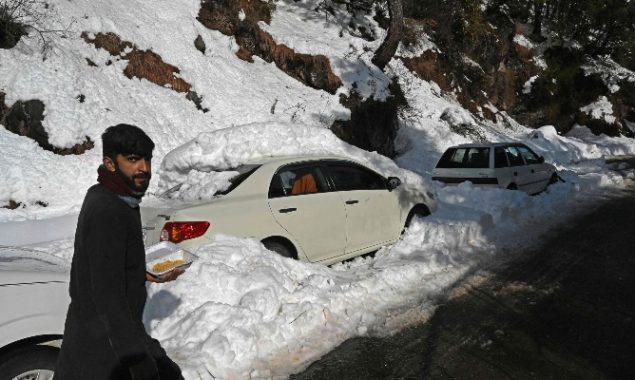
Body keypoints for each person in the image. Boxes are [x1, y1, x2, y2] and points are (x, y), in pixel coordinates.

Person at [55, 124, 184, 380]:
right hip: (103, 345)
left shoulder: (114, 196)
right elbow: (106, 294)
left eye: (147, 159)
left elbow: (105, 266)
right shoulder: (108, 210)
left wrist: (143, 272)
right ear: (110, 163)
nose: (144, 168)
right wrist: (135, 357)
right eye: (133, 160)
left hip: (106, 334)